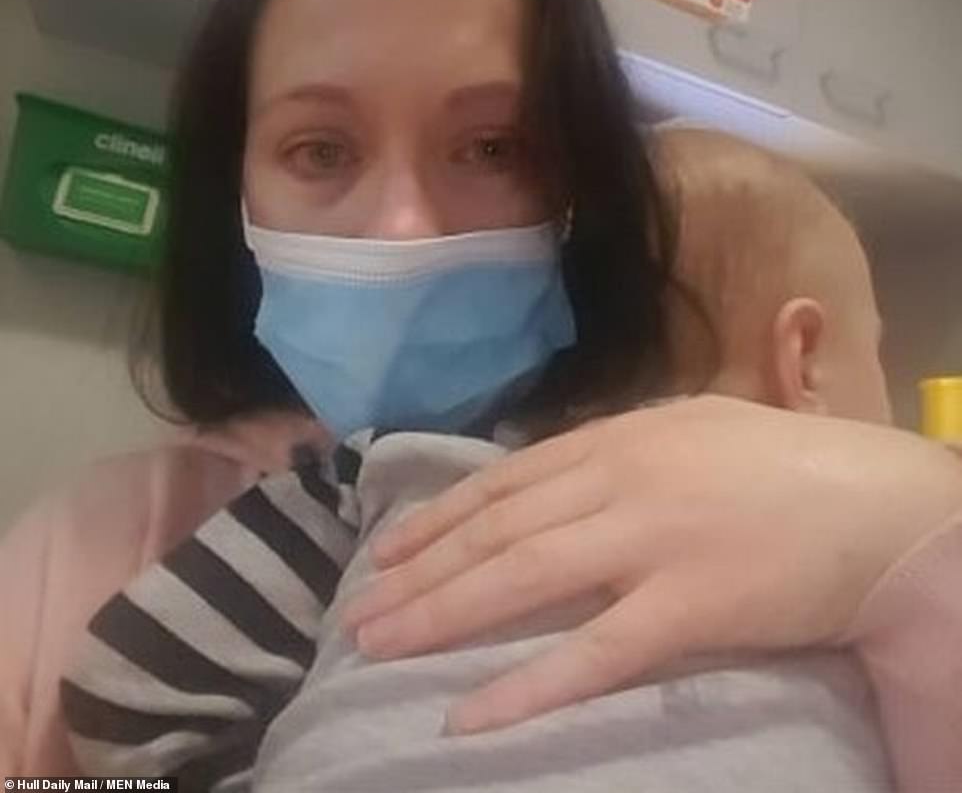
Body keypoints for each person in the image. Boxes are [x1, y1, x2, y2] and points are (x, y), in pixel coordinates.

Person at [0, 0, 959, 788]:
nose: (404, 228)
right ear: (236, 189)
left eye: (493, 148)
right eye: (320, 150)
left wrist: (916, 521)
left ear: (581, 191)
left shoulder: (812, 520)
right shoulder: (94, 546)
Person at [63, 128, 899, 793]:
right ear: (804, 359)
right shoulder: (869, 556)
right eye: (878, 354)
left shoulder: (405, 468)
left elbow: (123, 685)